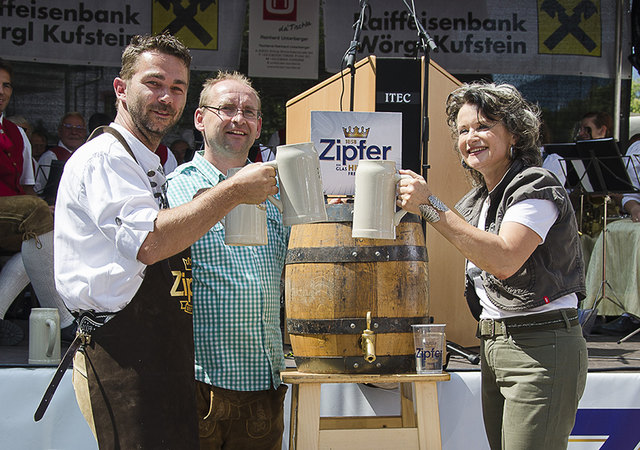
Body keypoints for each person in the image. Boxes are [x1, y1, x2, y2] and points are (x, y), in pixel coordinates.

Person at [53, 34, 278, 449]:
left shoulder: (146, 164)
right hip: (117, 352)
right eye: (154, 83)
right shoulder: (107, 158)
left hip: (153, 355)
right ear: (121, 88)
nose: (166, 97)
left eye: (177, 88)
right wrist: (232, 191)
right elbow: (150, 243)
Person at [397, 82, 587, 449]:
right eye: (464, 130)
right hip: (493, 347)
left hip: (541, 348)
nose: (471, 137)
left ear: (514, 132)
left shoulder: (535, 184)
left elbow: (504, 259)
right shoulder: (477, 200)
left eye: (484, 126)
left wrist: (429, 205)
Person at [166, 71, 289, 450]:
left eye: (249, 112)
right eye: (228, 108)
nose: (239, 118)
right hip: (198, 382)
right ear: (200, 119)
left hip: (264, 383)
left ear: (258, 127)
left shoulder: (279, 191)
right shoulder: (175, 187)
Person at [0, 58, 76, 345]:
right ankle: (62, 317)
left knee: (46, 238)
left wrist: (45, 212)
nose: (2, 91)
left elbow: (27, 190)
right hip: (10, 211)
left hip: (12, 216)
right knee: (36, 213)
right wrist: (37, 209)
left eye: (6, 85)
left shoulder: (17, 134)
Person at [34, 111, 86, 196]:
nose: (74, 132)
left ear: (84, 132)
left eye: (79, 128)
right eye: (68, 127)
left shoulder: (89, 155)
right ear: (60, 131)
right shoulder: (50, 157)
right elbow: (42, 190)